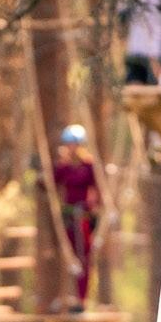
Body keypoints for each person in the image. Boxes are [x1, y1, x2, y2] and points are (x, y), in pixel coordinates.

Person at [51, 124, 102, 310]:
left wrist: (96, 213)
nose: (71, 148)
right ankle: (65, 297)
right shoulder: (63, 167)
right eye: (68, 144)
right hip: (69, 218)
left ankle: (82, 300)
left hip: (83, 217)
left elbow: (98, 190)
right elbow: (48, 182)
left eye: (74, 144)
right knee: (69, 256)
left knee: (84, 257)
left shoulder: (88, 167)